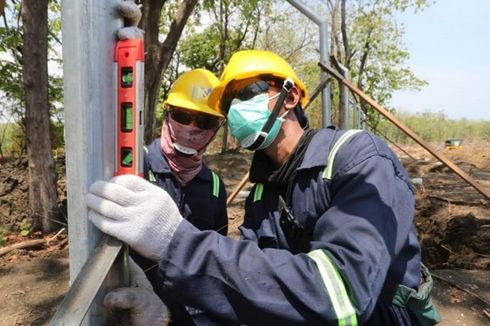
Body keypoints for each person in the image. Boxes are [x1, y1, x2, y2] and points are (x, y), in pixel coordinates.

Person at [87, 49, 441, 325]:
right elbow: (250, 289)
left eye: (248, 93)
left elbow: (342, 298)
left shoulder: (356, 157)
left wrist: (176, 243)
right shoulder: (262, 192)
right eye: (228, 105)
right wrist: (168, 314)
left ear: (289, 97)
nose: (236, 108)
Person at [107, 3, 228, 324]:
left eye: (204, 121)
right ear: (167, 114)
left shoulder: (215, 186)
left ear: (216, 129)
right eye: (183, 115)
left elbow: (215, 262)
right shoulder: (132, 166)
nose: (192, 128)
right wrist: (115, 56)